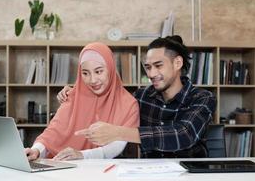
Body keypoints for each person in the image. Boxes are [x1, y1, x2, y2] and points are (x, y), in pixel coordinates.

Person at [58, 35, 217, 158]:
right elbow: (109, 98)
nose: (151, 74)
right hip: (149, 173)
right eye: (148, 67)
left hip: (191, 174)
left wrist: (119, 132)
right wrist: (77, 92)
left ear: (177, 63)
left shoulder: (203, 98)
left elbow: (184, 134)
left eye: (158, 66)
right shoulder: (141, 97)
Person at [25, 42, 139, 161]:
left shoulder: (129, 104)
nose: (92, 80)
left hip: (101, 170)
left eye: (99, 71)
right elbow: (52, 133)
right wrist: (36, 150)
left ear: (110, 69)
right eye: (85, 73)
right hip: (62, 167)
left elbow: (116, 147)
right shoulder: (72, 95)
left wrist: (82, 155)